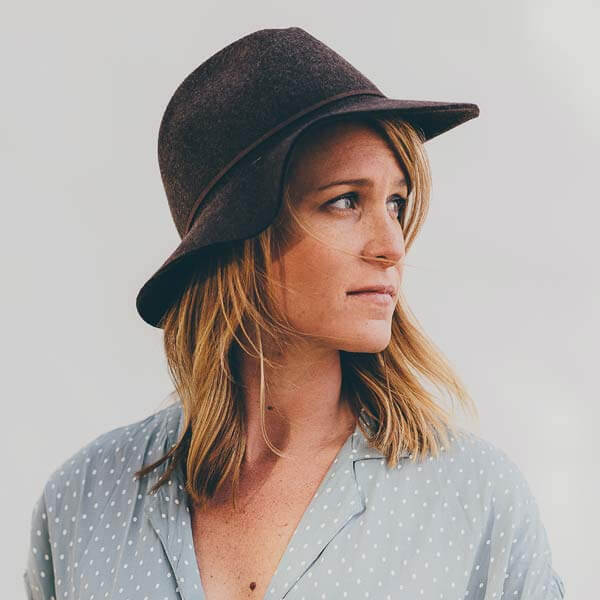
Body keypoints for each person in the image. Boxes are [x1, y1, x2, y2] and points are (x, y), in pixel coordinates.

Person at [24, 27, 566, 599]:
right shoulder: (82, 502)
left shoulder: (475, 499)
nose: (392, 245)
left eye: (396, 203)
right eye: (345, 201)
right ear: (235, 239)